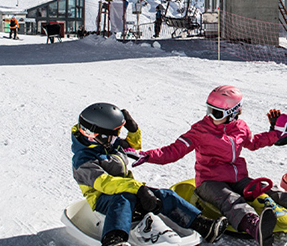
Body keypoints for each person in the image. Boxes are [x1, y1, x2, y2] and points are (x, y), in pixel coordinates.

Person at [132, 85, 287, 246]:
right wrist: (146, 155)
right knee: (231, 200)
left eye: (216, 113)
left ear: (233, 112)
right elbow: (173, 150)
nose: (210, 116)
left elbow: (253, 143)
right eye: (209, 110)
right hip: (209, 181)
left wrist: (275, 134)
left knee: (270, 192)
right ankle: (256, 227)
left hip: (238, 177)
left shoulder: (240, 127)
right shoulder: (200, 130)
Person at [71, 102, 227, 246]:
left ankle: (203, 225)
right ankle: (114, 239)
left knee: (165, 195)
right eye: (115, 133)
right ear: (100, 135)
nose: (117, 137)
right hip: (102, 199)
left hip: (128, 190)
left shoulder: (108, 144)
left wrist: (133, 130)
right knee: (122, 200)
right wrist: (138, 189)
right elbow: (105, 183)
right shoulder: (83, 159)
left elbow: (132, 147)